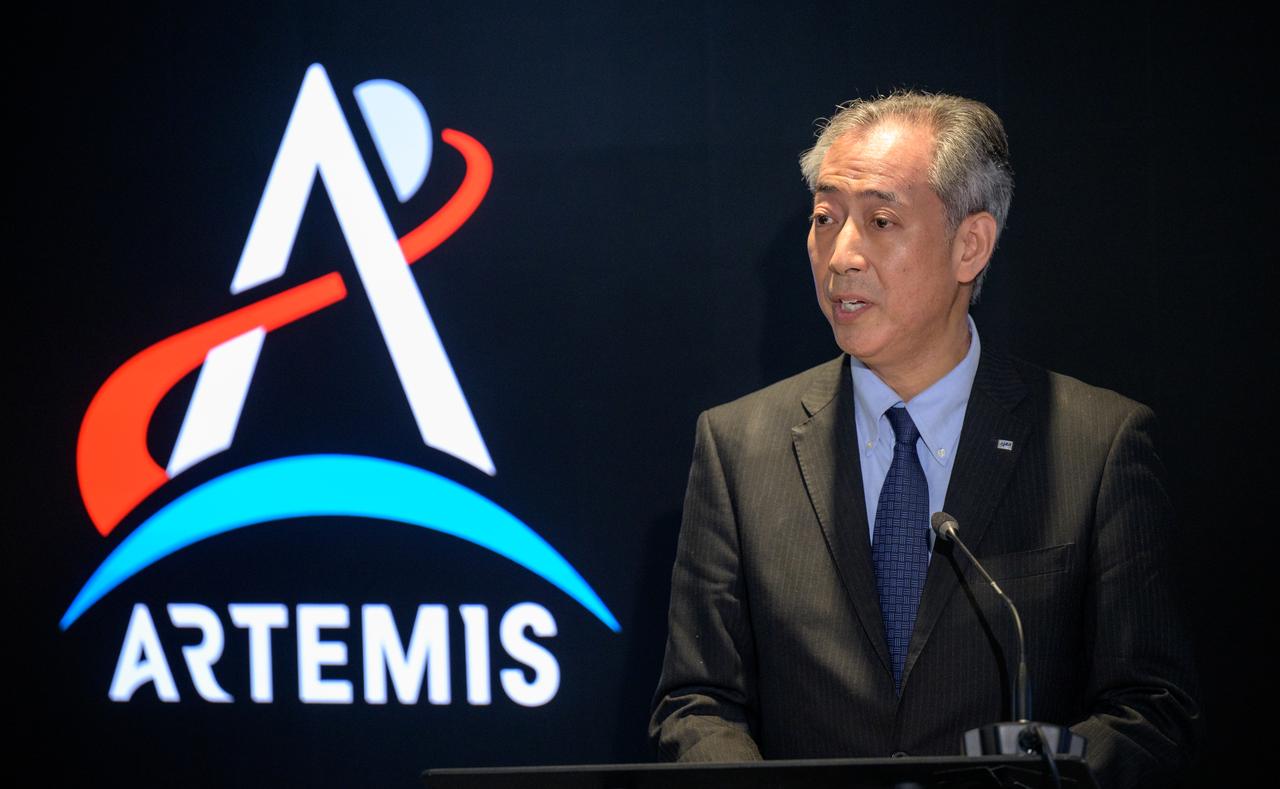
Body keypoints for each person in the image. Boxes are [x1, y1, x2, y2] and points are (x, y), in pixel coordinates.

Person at [649, 92, 1201, 789]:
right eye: (825, 219)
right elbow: (696, 705)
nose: (841, 254)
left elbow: (1153, 711)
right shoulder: (737, 445)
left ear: (970, 245)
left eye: (881, 221)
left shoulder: (1097, 442)